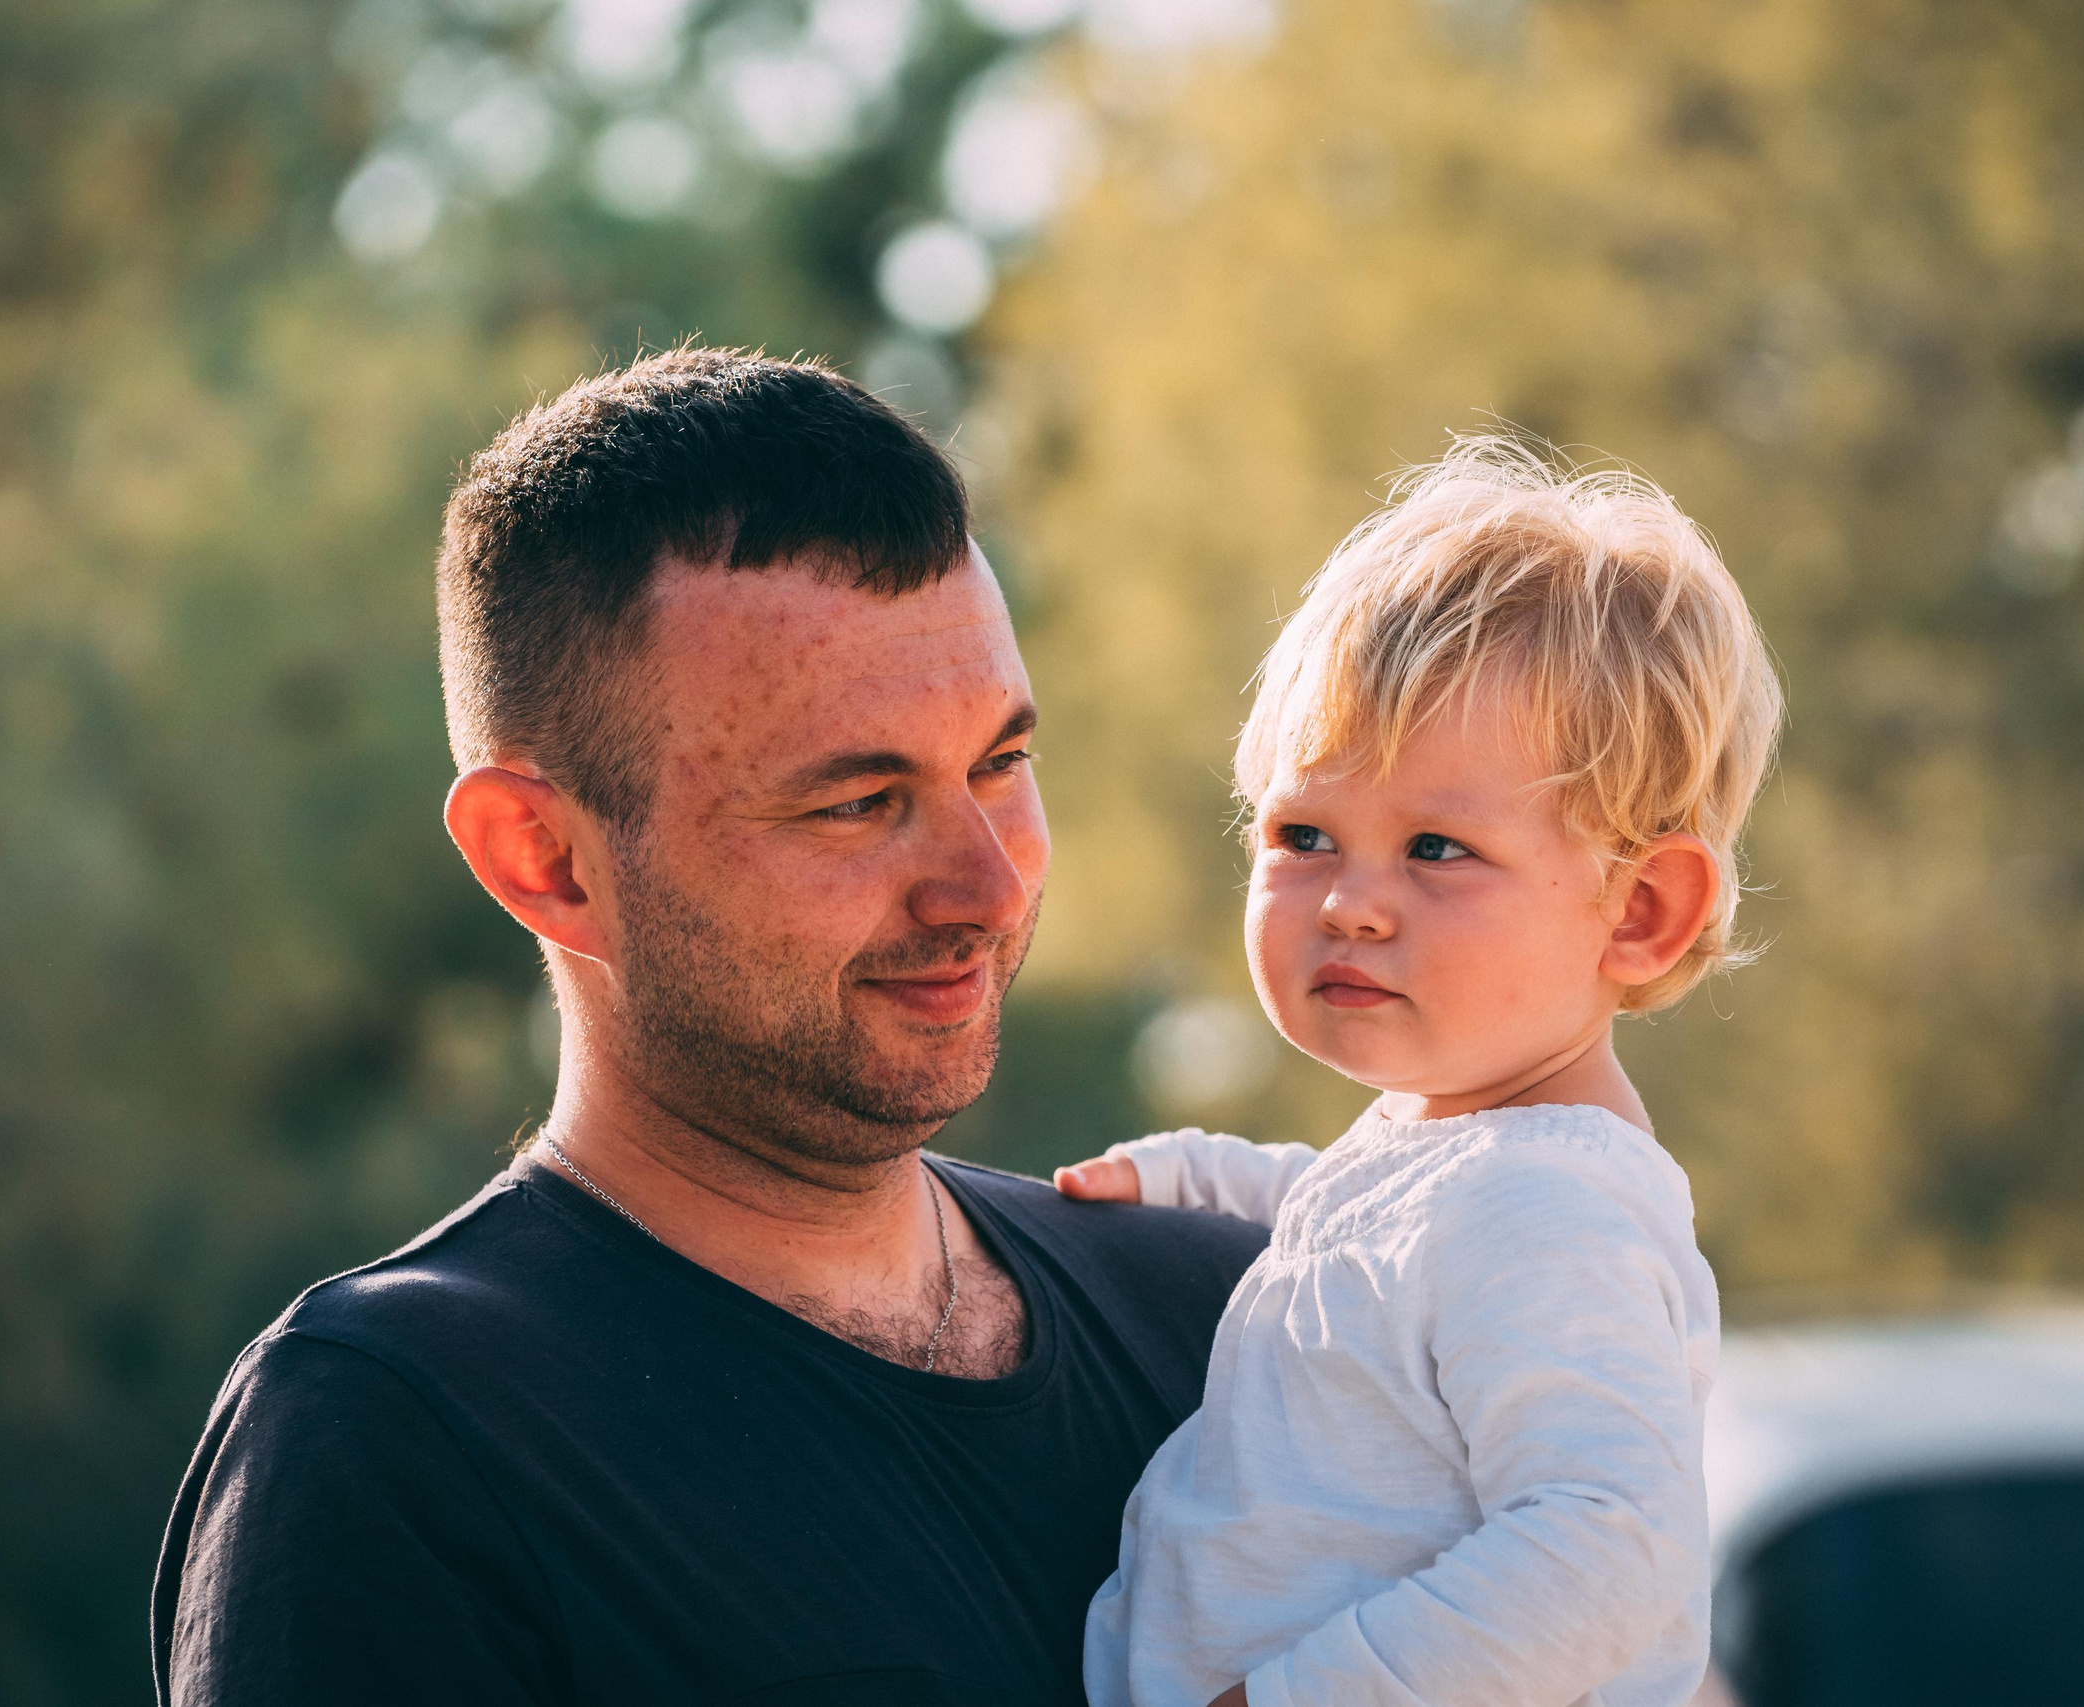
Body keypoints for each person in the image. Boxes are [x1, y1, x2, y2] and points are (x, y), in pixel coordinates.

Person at [149, 347, 1266, 1706]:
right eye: (856, 802)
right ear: (543, 857)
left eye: (1001, 764)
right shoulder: (400, 1436)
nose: (986, 883)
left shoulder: (1240, 1320)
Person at [1055, 438, 1784, 1707]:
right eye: (1302, 835)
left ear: (1640, 913)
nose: (1351, 903)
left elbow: (1609, 1545)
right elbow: (1369, 1237)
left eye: (1436, 847)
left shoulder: (1548, 1214)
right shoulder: (1463, 1174)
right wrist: (1198, 1181)